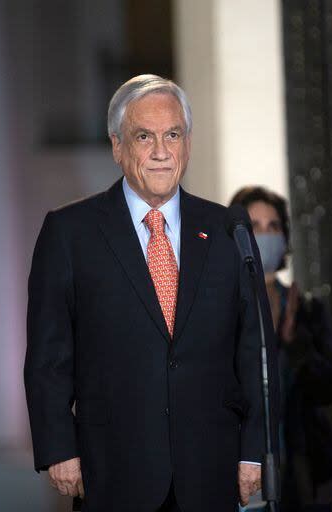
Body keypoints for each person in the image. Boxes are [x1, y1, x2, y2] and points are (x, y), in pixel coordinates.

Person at [25, 74, 278, 511]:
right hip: (112, 468)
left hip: (210, 467)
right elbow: (48, 353)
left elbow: (254, 348)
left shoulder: (227, 229)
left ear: (188, 142)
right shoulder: (70, 232)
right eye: (144, 136)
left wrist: (254, 450)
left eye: (173, 135)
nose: (161, 151)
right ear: (117, 146)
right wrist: (58, 448)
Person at [230, 186, 332, 511]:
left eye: (273, 226)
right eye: (254, 226)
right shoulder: (217, 309)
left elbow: (331, 387)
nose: (265, 236)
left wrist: (295, 343)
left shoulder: (307, 309)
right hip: (238, 467)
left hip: (300, 467)